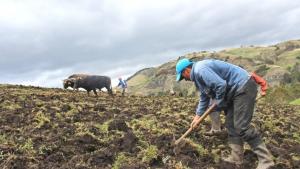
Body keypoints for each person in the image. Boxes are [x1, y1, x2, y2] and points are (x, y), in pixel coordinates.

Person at [176, 58, 274, 169]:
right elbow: (204, 97)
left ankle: (266, 161)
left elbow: (220, 85)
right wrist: (197, 117)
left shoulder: (201, 70)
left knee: (242, 126)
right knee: (230, 124)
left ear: (186, 71)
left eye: (183, 77)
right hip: (234, 92)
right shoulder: (198, 77)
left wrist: (217, 101)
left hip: (243, 87)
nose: (185, 80)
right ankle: (236, 158)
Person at [205, 72, 268, 136]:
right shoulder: (228, 76)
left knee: (243, 115)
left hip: (245, 96)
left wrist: (263, 90)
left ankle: (246, 133)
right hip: (231, 95)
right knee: (222, 110)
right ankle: (217, 129)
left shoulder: (248, 75)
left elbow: (262, 82)